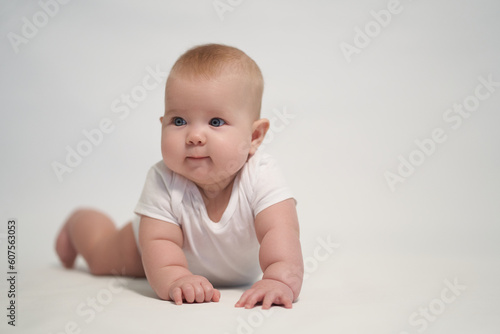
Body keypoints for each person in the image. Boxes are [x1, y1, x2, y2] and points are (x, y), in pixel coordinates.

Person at [55, 43, 303, 309]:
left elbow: (281, 232)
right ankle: (78, 223)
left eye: (216, 122)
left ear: (254, 137)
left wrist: (279, 281)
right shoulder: (163, 179)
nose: (194, 136)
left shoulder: (262, 174)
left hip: (229, 269)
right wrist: (177, 278)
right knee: (99, 258)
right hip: (148, 251)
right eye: (179, 121)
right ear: (162, 123)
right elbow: (159, 242)